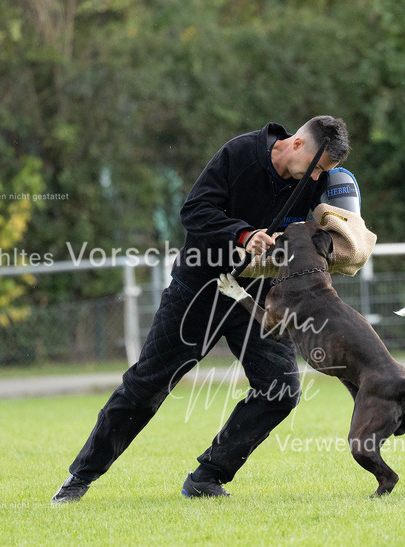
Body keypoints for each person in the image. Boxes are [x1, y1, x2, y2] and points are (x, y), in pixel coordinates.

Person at [51, 116, 351, 503]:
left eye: (324, 173)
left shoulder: (317, 183)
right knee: (148, 383)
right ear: (297, 144)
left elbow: (336, 226)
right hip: (200, 289)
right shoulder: (240, 154)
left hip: (256, 298)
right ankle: (79, 478)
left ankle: (207, 476)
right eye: (317, 168)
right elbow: (194, 211)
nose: (316, 179)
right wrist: (243, 234)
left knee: (281, 389)